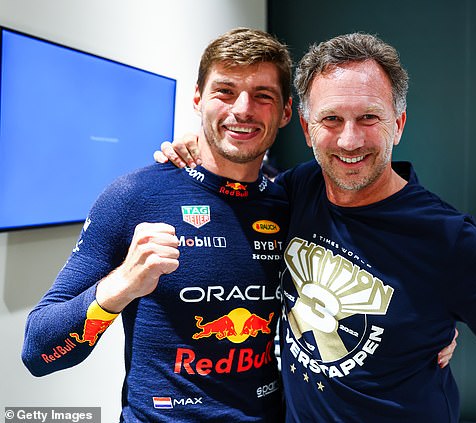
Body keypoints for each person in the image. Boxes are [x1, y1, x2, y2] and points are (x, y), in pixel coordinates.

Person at [157, 33, 476, 422]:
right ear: (307, 126)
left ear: (398, 124)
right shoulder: (298, 189)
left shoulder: (446, 237)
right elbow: (235, 179)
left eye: (368, 118)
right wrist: (196, 149)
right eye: (332, 120)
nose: (349, 140)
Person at [21, 28, 294, 422]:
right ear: (198, 98)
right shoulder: (133, 197)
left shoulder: (290, 203)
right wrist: (120, 286)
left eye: (263, 96)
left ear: (285, 111)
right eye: (225, 91)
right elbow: (37, 351)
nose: (243, 109)